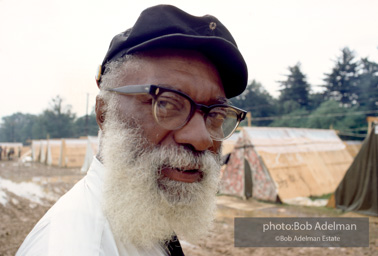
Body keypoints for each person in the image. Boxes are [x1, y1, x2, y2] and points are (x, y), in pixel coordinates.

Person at [17, 4, 248, 256]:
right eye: (168, 104)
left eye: (215, 114)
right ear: (104, 113)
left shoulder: (144, 220)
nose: (202, 139)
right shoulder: (75, 246)